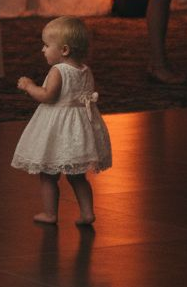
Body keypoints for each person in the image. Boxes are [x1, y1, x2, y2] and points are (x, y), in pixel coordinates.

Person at [12, 16, 112, 226]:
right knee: (77, 176)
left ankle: (50, 214)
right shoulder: (85, 70)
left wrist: (29, 86)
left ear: (64, 50)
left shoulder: (59, 71)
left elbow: (48, 96)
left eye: (47, 45)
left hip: (58, 132)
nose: (43, 50)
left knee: (48, 174)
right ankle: (87, 213)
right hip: (78, 130)